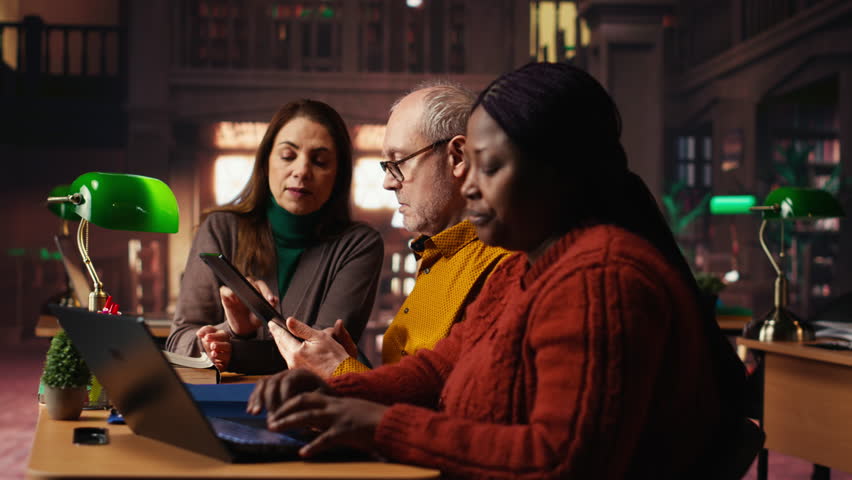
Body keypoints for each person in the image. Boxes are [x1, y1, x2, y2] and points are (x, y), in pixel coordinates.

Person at [248, 63, 747, 479]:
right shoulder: (529, 269)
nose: (468, 187)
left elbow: (560, 461)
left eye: (488, 168)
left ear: (552, 170)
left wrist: (381, 426)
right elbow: (439, 365)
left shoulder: (601, 276)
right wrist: (334, 389)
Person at [268, 81, 509, 377]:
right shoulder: (436, 253)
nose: (388, 182)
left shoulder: (502, 266)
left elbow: (455, 406)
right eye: (387, 165)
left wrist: (339, 371)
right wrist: (347, 362)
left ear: (457, 157)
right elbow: (418, 385)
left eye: (400, 161)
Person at [166, 99, 384, 375]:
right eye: (288, 156)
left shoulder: (359, 245)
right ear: (266, 161)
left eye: (320, 161)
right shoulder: (220, 228)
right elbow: (178, 342)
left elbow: (320, 356)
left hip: (310, 407)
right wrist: (232, 330)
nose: (302, 171)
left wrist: (233, 350)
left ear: (339, 175)